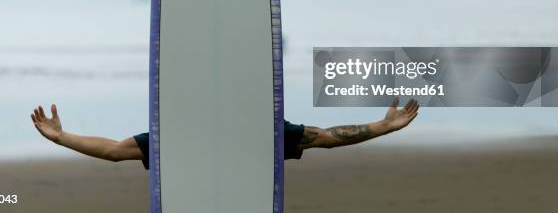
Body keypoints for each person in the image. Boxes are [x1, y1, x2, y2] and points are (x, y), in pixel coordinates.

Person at [30, 98, 419, 167]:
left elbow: (329, 136)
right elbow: (115, 150)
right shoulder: (179, 136)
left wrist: (384, 127)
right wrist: (62, 138)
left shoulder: (265, 130)